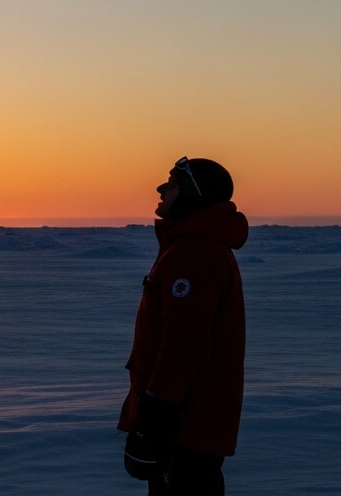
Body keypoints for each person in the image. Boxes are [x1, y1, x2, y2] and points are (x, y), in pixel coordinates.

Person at [120, 156, 247, 495]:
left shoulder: (194, 255)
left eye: (173, 184)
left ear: (194, 195)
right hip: (189, 425)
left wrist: (154, 419)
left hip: (184, 428)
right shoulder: (194, 248)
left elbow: (183, 347)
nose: (161, 189)